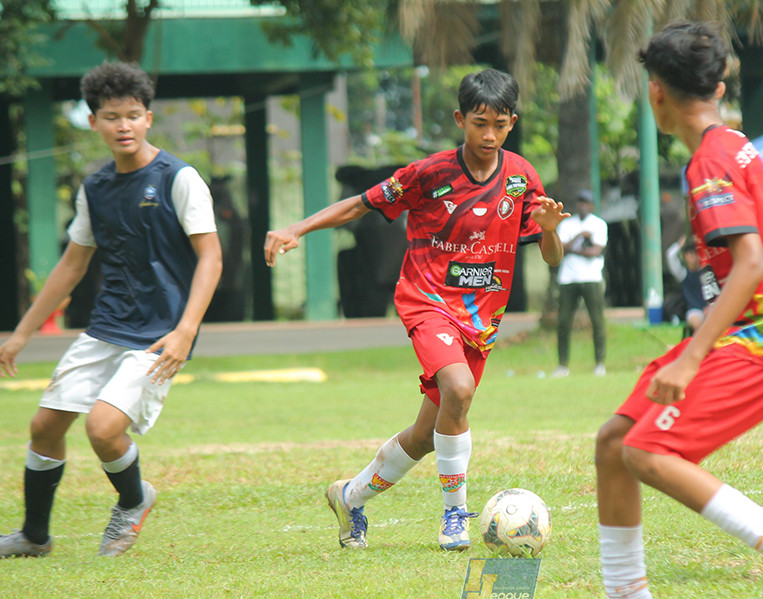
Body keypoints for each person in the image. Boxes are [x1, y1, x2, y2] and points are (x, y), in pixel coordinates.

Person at [558, 21, 763, 599]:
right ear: (718, 82)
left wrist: (690, 359)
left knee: (647, 451)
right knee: (614, 443)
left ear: (655, 92)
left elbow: (754, 264)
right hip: (754, 324)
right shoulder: (732, 142)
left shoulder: (710, 159)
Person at [264, 69, 567, 552]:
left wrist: (550, 230)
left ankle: (349, 497)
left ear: (513, 122)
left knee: (429, 434)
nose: (489, 135)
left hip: (480, 321)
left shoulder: (522, 177)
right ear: (460, 120)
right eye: (478, 122)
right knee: (459, 388)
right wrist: (297, 229)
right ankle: (455, 516)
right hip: (426, 300)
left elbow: (551, 259)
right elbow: (362, 205)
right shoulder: (430, 174)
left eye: (500, 124)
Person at [0, 62, 222, 558]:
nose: (123, 125)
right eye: (110, 116)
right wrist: (20, 334)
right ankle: (34, 536)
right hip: (106, 328)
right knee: (44, 426)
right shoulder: (94, 189)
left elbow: (212, 257)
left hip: (161, 334)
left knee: (102, 428)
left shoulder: (178, 178)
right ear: (93, 122)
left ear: (148, 118)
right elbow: (71, 266)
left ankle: (134, 498)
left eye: (133, 115)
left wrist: (186, 331)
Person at [552, 189, 608, 377]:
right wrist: (580, 236)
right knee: (564, 322)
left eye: (586, 203)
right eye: (580, 202)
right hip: (568, 278)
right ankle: (562, 364)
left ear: (592, 206)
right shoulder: (567, 225)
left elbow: (596, 252)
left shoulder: (599, 224)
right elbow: (560, 249)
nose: (583, 206)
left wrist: (572, 249)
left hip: (591, 277)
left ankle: (600, 362)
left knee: (597, 321)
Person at [665, 238, 707, 335]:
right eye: (689, 255)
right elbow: (670, 256)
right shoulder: (683, 274)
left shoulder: (706, 272)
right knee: (698, 323)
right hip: (694, 311)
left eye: (694, 254)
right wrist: (679, 245)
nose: (692, 258)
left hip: (709, 309)